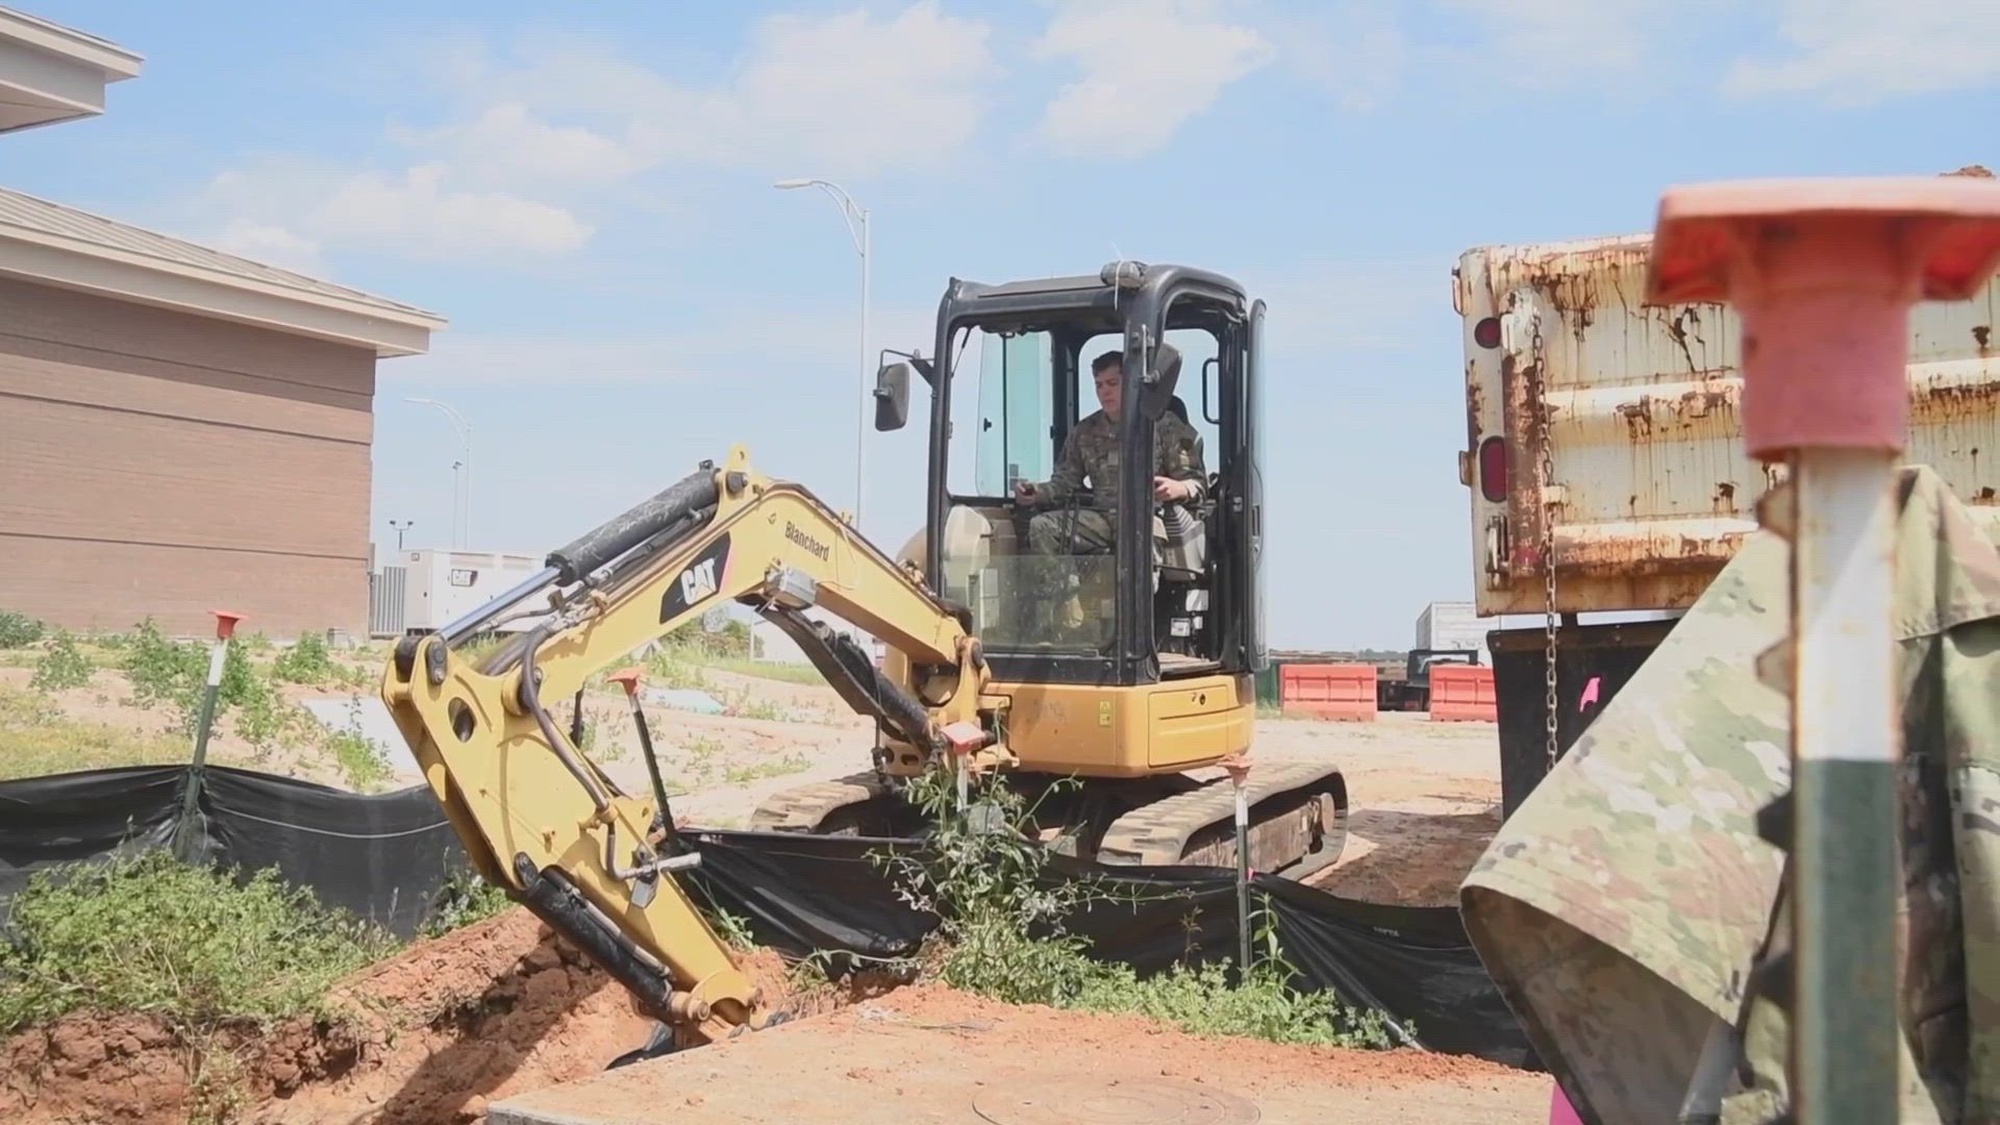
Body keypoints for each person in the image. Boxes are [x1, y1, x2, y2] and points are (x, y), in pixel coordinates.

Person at [1013, 349, 1207, 555]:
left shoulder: (1164, 426)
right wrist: (1037, 493)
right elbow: (1065, 482)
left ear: (1132, 383)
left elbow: (1198, 484)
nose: (1104, 391)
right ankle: (1062, 587)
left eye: (1112, 384)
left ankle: (1141, 588)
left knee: (1141, 530)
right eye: (1099, 385)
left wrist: (1178, 488)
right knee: (1041, 526)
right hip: (1100, 518)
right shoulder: (1085, 431)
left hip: (1144, 517)